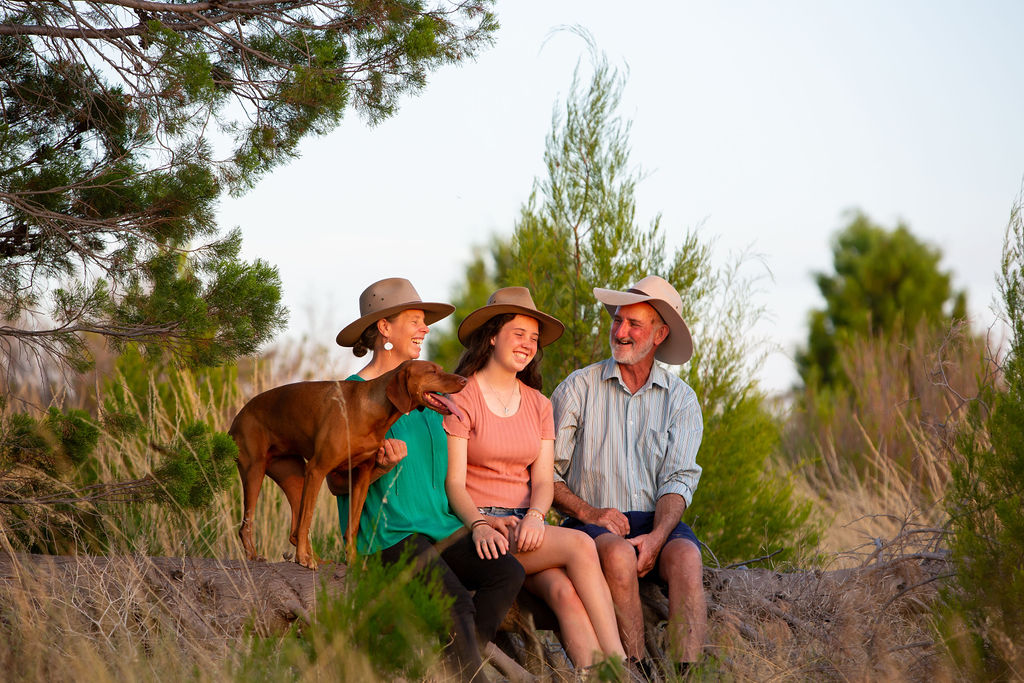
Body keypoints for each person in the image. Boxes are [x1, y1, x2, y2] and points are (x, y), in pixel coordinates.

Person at [329, 277, 525, 683]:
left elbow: (450, 481)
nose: (425, 329)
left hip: (441, 529)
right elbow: (334, 482)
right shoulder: (352, 395)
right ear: (385, 328)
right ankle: (467, 674)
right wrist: (378, 467)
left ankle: (448, 665)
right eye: (415, 320)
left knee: (508, 573)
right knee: (456, 605)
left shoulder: (431, 395)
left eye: (425, 322)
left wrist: (483, 521)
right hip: (389, 536)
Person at [441, 287, 626, 670]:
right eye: (518, 333)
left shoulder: (539, 404)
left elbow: (543, 482)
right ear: (492, 335)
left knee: (563, 591)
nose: (528, 344)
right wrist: (479, 523)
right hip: (483, 527)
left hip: (527, 527)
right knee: (579, 545)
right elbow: (453, 484)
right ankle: (619, 662)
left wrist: (537, 517)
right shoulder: (462, 397)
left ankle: (598, 677)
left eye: (534, 338)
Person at [550, 275, 707, 673]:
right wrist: (591, 513)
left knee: (688, 558)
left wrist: (657, 536)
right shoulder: (578, 388)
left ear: (659, 334)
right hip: (592, 524)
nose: (620, 332)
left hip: (658, 521)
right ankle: (635, 670)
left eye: (633, 325)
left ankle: (685, 674)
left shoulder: (682, 399)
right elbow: (545, 475)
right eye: (617, 321)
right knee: (619, 556)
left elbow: (678, 480)